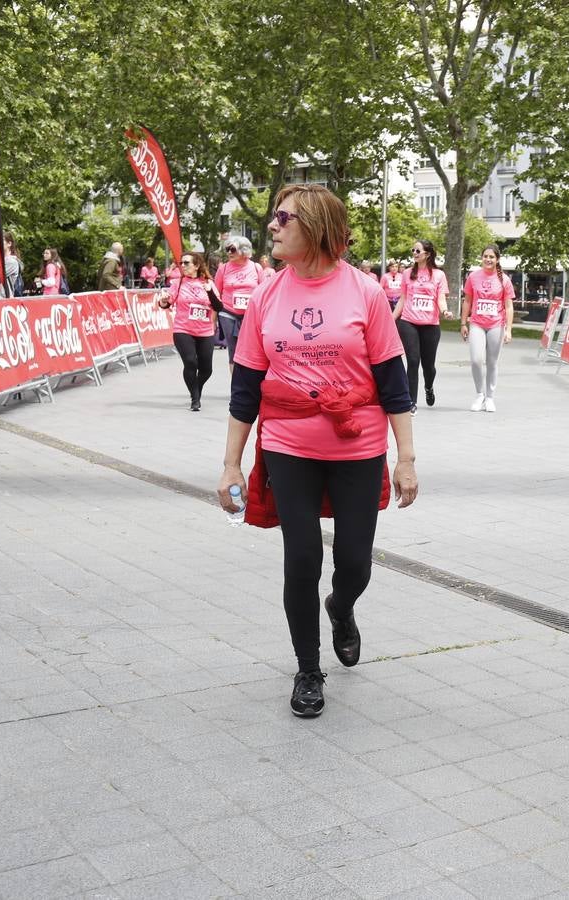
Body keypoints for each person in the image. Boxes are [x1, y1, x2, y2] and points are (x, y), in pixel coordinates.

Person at [218, 184, 418, 718]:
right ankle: (308, 669)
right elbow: (245, 390)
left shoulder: (365, 292)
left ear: (316, 226)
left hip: (358, 445)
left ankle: (342, 606)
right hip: (289, 446)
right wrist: (230, 464)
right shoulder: (266, 296)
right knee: (301, 557)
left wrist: (406, 458)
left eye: (284, 217)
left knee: (354, 562)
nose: (273, 226)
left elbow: (393, 384)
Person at [159, 251, 222, 411]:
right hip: (183, 329)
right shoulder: (178, 283)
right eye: (182, 263)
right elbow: (167, 303)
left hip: (205, 331)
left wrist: (208, 290)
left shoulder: (208, 282)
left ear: (197, 265)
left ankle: (196, 389)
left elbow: (218, 307)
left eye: (186, 263)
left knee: (207, 369)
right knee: (190, 362)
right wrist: (164, 301)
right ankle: (195, 398)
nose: (183, 266)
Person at [397, 240, 450, 413]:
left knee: (429, 366)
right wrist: (390, 319)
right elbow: (403, 299)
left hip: (430, 325)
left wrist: (445, 311)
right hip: (408, 321)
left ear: (427, 254)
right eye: (413, 250)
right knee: (412, 361)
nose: (414, 252)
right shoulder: (406, 273)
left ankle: (429, 387)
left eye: (418, 250)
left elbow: (440, 298)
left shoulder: (438, 275)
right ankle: (410, 402)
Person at [461, 244, 514, 413]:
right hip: (477, 323)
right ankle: (479, 395)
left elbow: (509, 306)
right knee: (476, 360)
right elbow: (467, 301)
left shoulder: (504, 280)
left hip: (496, 324)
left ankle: (490, 397)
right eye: (485, 256)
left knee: (492, 362)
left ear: (497, 259)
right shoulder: (473, 277)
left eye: (491, 257)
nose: (488, 259)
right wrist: (463, 323)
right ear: (481, 258)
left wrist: (509, 329)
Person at [214, 236, 260, 372]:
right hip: (228, 312)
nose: (229, 252)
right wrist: (213, 319)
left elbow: (264, 292)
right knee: (233, 348)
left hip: (250, 314)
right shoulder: (223, 269)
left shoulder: (256, 268)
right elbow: (216, 294)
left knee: (251, 348)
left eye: (232, 249)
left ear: (244, 250)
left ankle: (249, 380)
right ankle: (235, 386)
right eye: (227, 249)